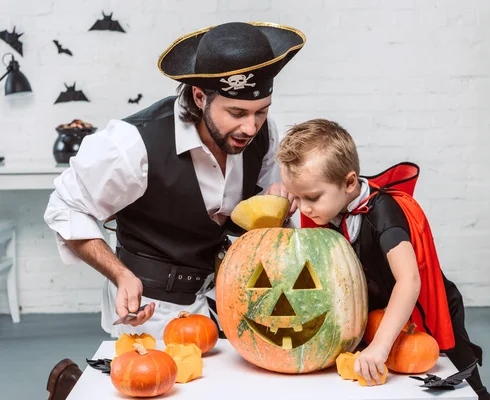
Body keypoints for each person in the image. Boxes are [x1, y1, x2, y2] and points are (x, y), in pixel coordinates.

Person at [43, 22, 305, 339]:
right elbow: (66, 208)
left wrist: (281, 209)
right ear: (199, 97)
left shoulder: (264, 135)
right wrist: (120, 275)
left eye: (260, 111)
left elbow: (256, 221)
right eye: (236, 113)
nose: (250, 127)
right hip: (151, 308)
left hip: (226, 300)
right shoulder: (132, 144)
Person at [276, 119, 490, 400]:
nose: (303, 207)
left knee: (456, 375)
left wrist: (380, 345)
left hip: (422, 307)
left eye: (312, 197)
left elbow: (409, 280)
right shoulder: (327, 208)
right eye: (296, 197)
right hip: (379, 312)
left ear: (350, 182)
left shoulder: (384, 215)